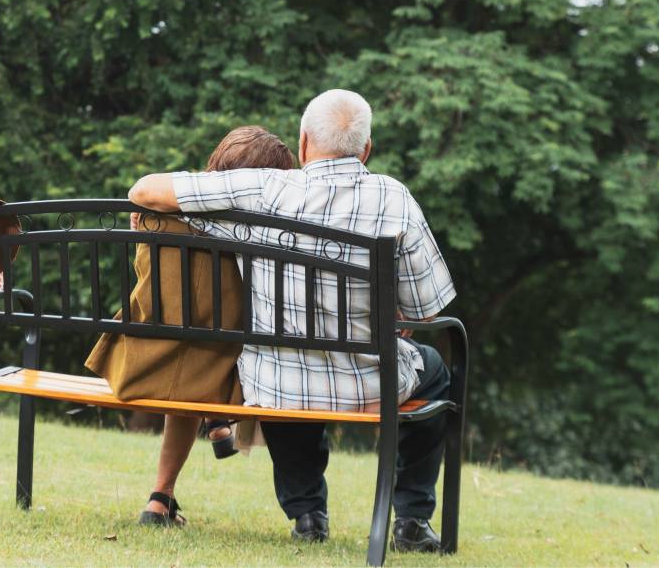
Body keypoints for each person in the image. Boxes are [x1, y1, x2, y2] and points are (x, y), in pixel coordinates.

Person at [127, 89, 457, 553]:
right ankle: (411, 518)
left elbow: (143, 191)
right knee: (436, 369)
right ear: (366, 149)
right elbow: (428, 311)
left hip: (275, 383)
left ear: (303, 144)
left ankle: (306, 512)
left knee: (287, 373)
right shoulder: (395, 198)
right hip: (368, 383)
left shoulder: (263, 188)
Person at [86, 126, 294, 526]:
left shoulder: (155, 215)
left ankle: (159, 500)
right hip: (211, 376)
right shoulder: (257, 233)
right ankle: (213, 424)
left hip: (137, 364)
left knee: (186, 347)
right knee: (202, 352)